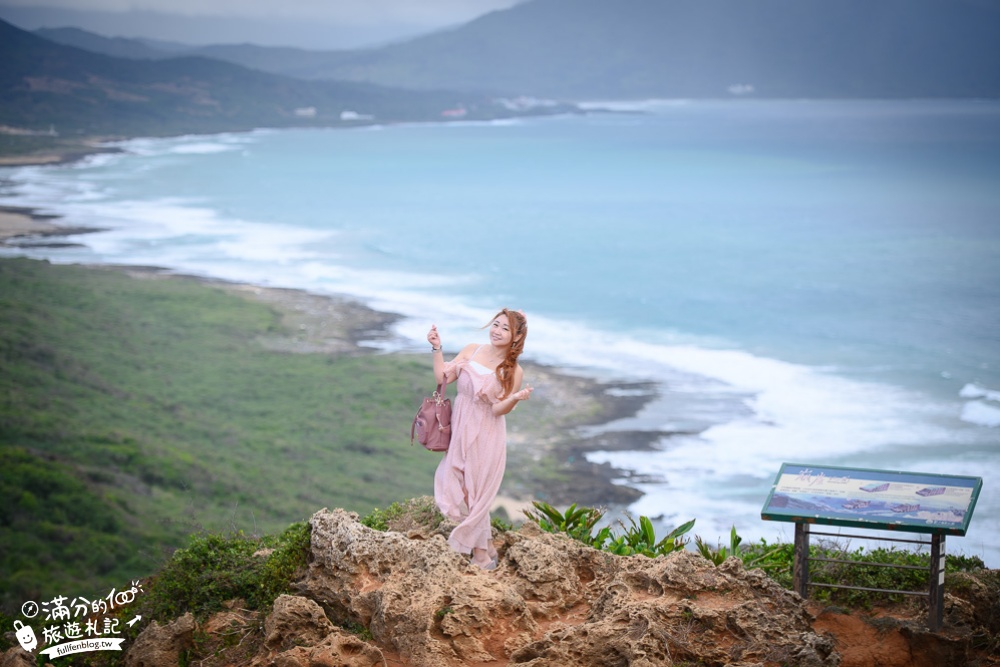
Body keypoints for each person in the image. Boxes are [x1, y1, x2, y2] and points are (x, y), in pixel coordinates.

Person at [427, 308, 533, 570]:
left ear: (516, 337)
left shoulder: (513, 371)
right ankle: (485, 549)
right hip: (461, 426)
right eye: (495, 324)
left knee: (475, 491)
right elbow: (443, 378)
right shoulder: (472, 350)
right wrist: (437, 348)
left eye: (505, 328)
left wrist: (513, 399)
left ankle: (482, 556)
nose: (497, 331)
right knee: (453, 480)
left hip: (487, 432)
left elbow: (497, 409)